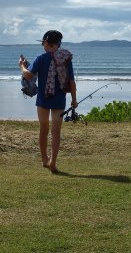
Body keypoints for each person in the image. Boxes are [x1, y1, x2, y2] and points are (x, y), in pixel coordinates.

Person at [19, 30, 78, 173]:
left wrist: (21, 65)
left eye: (43, 43)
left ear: (47, 43)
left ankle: (45, 159)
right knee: (56, 132)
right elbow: (71, 82)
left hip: (43, 99)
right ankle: (53, 162)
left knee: (43, 130)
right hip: (59, 99)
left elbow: (28, 75)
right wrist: (74, 100)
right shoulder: (65, 58)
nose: (42, 45)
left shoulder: (41, 58)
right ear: (58, 44)